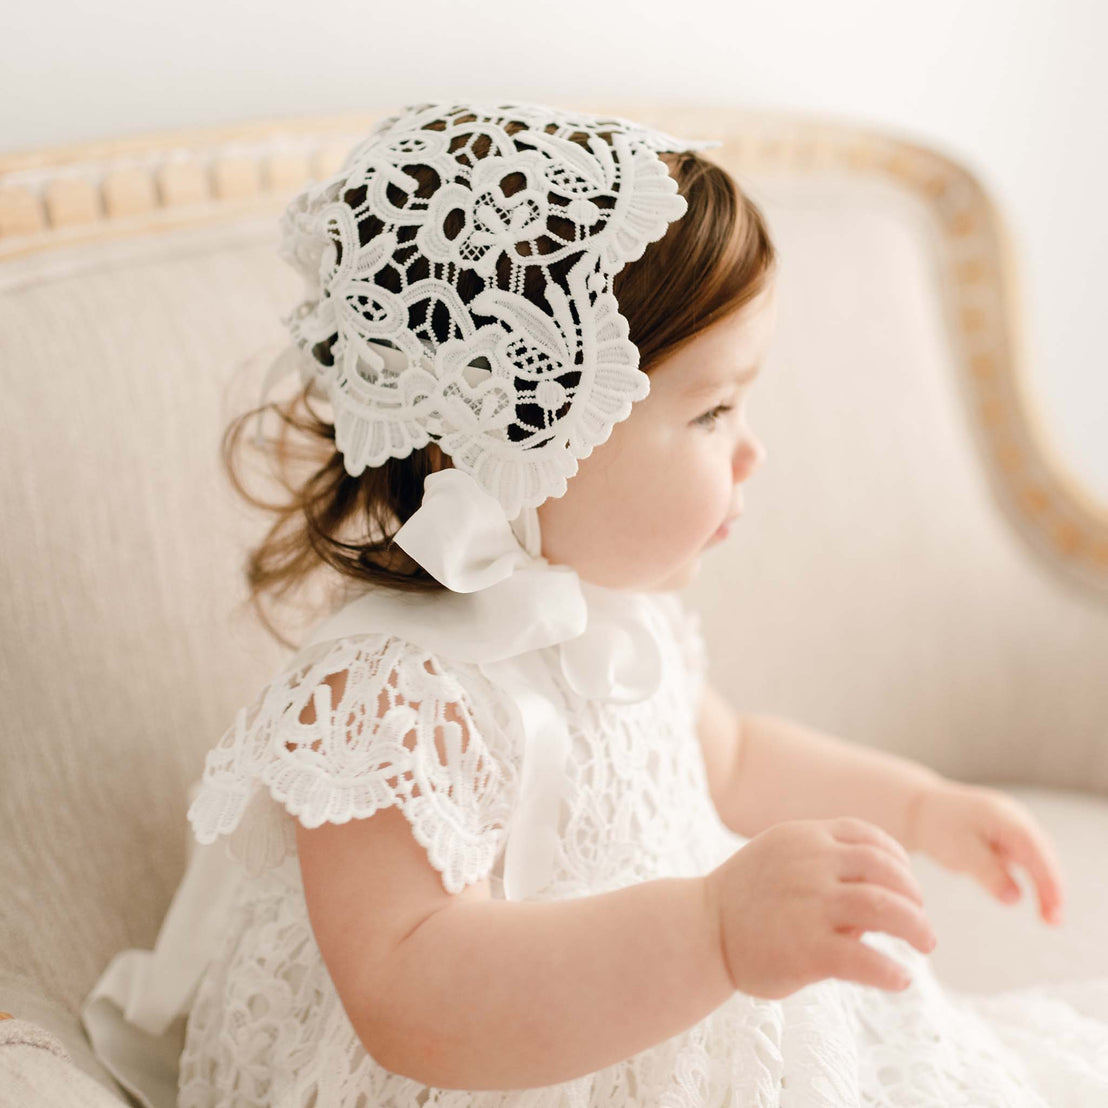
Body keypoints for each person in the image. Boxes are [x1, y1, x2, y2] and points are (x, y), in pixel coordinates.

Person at [81, 100, 1108, 1107]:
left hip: (672, 1012)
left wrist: (921, 808)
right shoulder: (384, 697)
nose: (754, 451)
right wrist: (710, 930)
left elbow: (736, 758)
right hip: (498, 1059)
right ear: (524, 440)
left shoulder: (622, 620)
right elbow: (407, 992)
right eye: (711, 412)